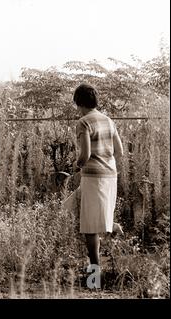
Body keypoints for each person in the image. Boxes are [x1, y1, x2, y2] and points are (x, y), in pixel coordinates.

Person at [73, 83, 123, 267]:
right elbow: (120, 152)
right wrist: (106, 162)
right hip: (110, 175)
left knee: (90, 228)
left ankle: (94, 277)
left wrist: (76, 165)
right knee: (99, 220)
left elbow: (84, 156)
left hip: (93, 179)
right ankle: (114, 228)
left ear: (78, 103)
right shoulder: (109, 120)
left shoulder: (84, 122)